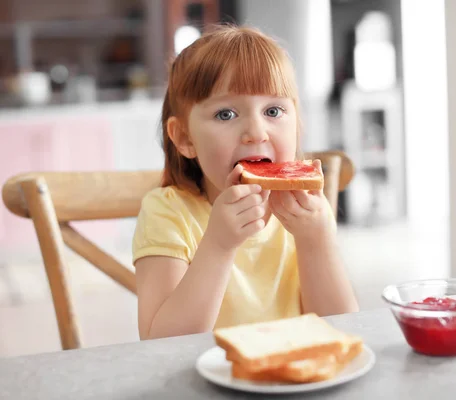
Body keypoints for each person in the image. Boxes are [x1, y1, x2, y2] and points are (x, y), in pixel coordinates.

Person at [132, 25, 359, 340]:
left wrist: (316, 241)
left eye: (273, 110)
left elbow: (341, 331)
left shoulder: (304, 214)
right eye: (226, 114)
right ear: (185, 138)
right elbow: (161, 343)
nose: (256, 131)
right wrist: (219, 245)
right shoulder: (166, 213)